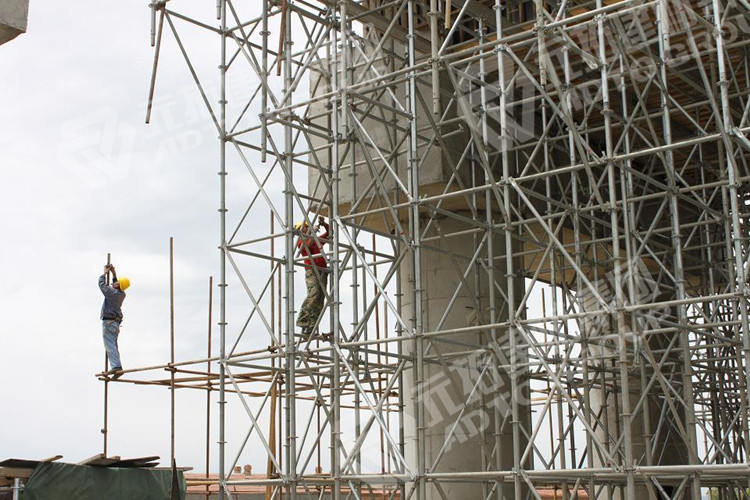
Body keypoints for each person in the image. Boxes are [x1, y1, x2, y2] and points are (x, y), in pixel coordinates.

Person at [295, 216, 332, 339]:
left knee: (320, 300)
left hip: (322, 271)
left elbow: (330, 233)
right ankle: (303, 319)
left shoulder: (315, 239)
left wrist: (324, 224)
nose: (307, 228)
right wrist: (313, 232)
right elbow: (308, 244)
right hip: (312, 271)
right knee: (314, 294)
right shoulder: (301, 241)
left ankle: (310, 327)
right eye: (305, 227)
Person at [99, 264, 130, 378]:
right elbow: (115, 285)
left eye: (116, 283)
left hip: (109, 323)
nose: (114, 283)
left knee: (110, 345)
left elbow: (102, 285)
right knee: (113, 345)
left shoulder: (112, 293)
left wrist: (104, 273)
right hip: (115, 323)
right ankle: (117, 366)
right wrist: (113, 273)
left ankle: (116, 367)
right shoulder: (121, 294)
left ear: (118, 286)